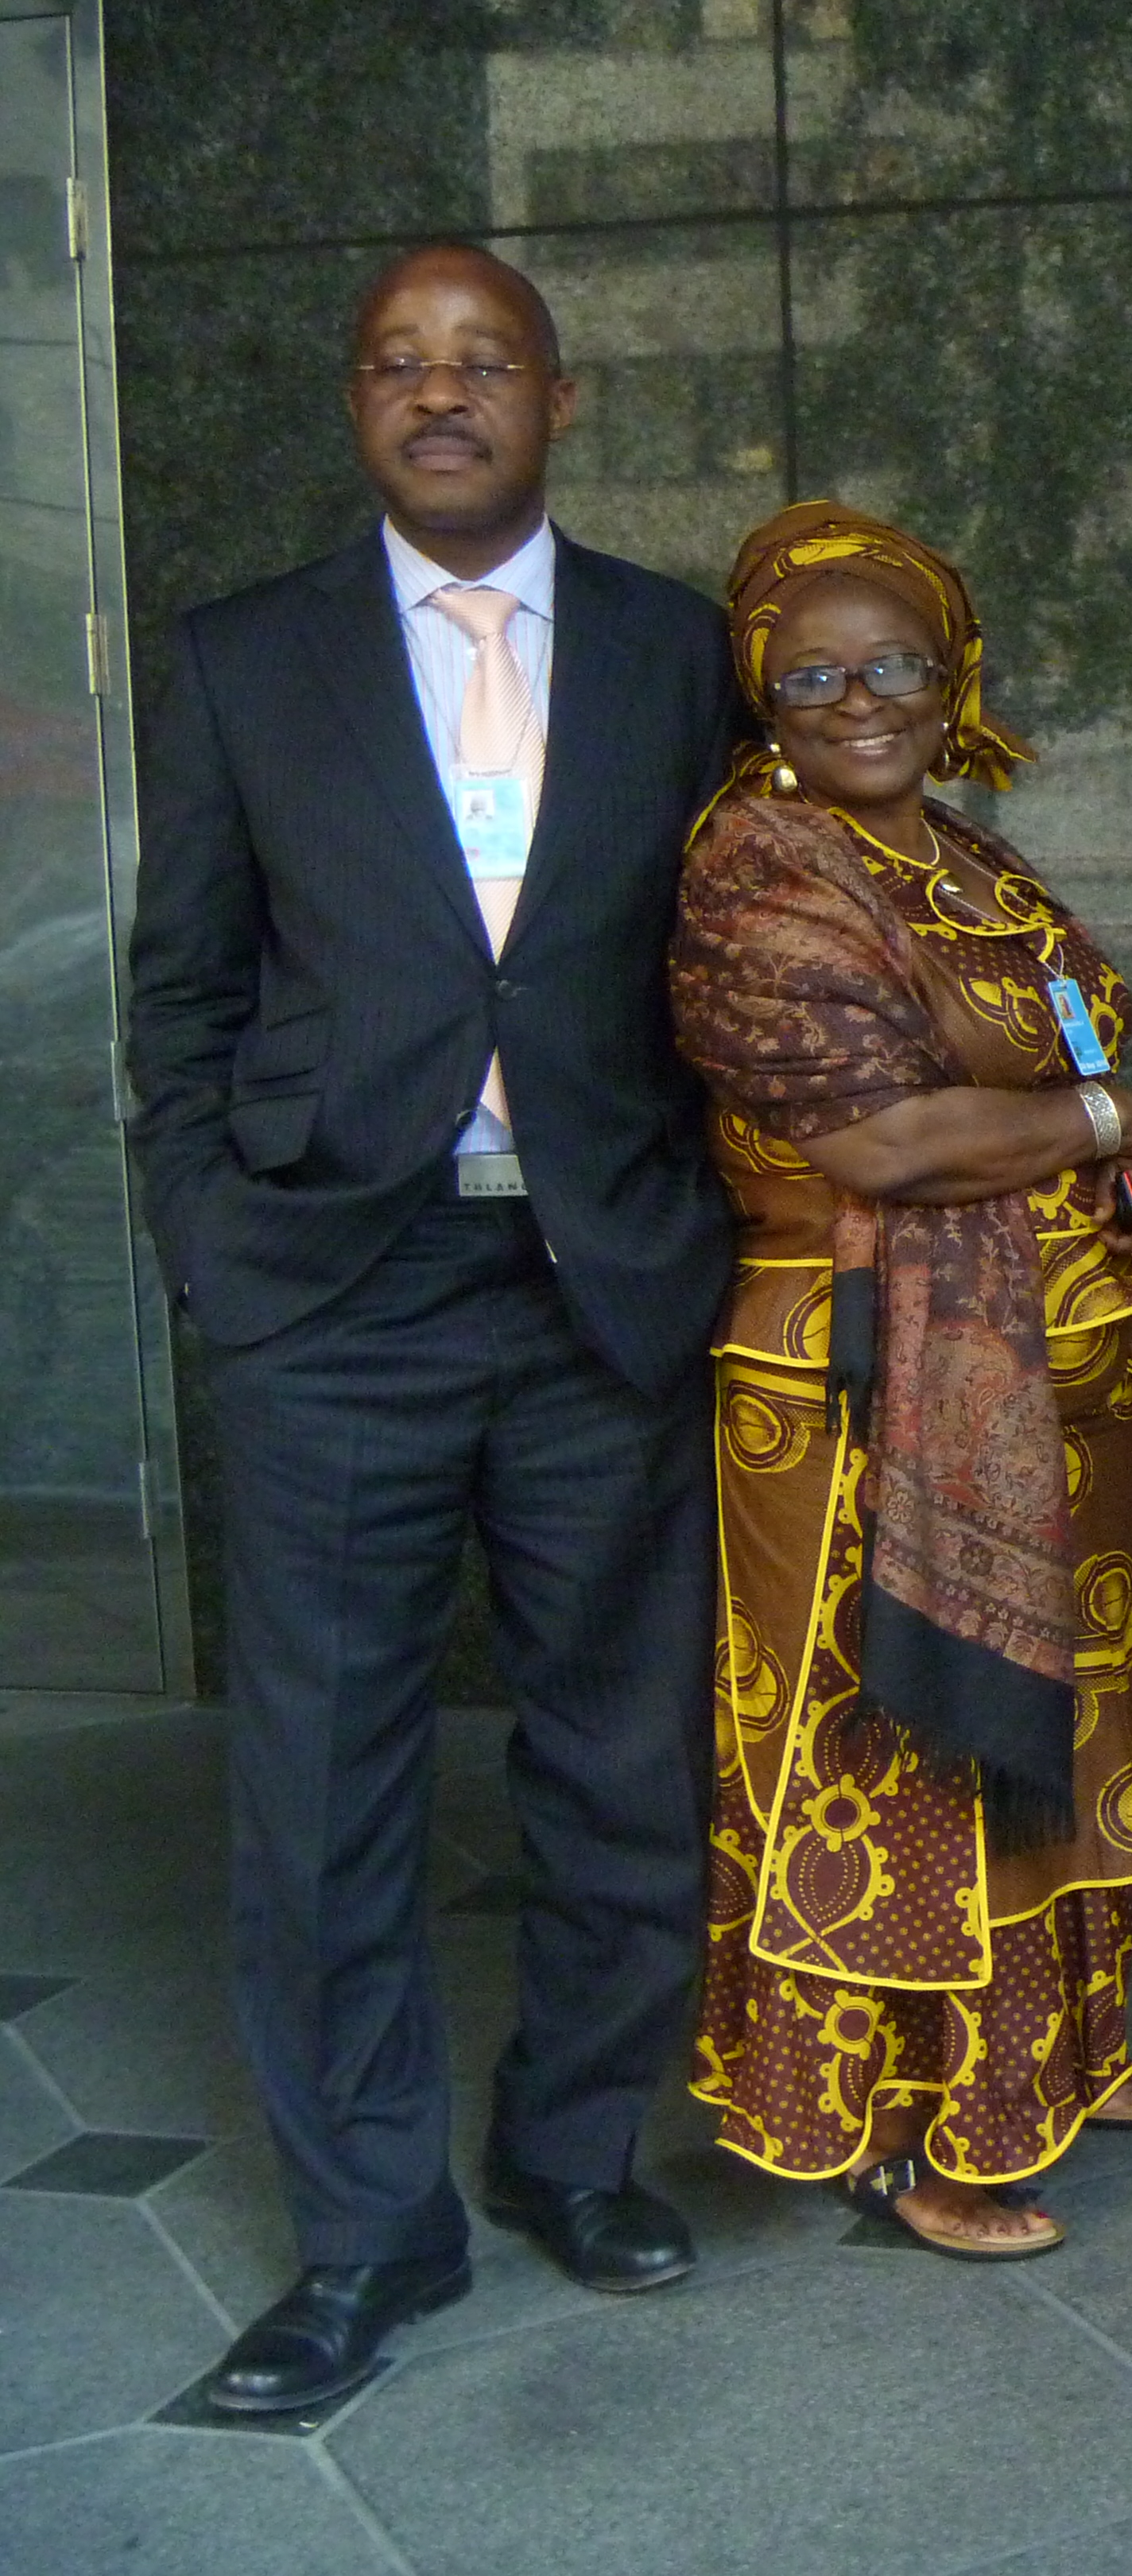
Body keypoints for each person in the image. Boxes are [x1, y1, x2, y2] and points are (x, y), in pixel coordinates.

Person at [124, 245, 737, 2411]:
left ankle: (576, 2148)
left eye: (484, 361)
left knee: (623, 1763)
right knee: (321, 1794)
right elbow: (183, 988)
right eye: (399, 363)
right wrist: (217, 1252)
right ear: (355, 406)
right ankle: (372, 2234)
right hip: (335, 1297)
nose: (441, 393)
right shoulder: (245, 657)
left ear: (561, 398)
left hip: (599, 1290)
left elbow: (759, 946)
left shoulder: (683, 652)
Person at [669, 502, 1132, 2259]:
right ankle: (904, 2129)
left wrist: (1091, 1153)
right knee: (910, 1749)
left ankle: (1057, 2053)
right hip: (856, 1390)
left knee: (1059, 1723)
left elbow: (1037, 1061)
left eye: (892, 663)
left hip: (1047, 1374)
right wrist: (1115, 1122)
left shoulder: (967, 856)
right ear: (763, 698)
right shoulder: (761, 871)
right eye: (811, 677)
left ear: (951, 670)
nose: (860, 702)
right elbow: (886, 1143)